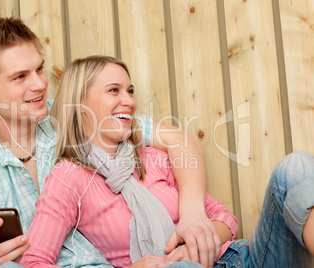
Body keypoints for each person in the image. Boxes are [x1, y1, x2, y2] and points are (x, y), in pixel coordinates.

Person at [0, 17, 219, 267]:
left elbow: (180, 141)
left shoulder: (71, 117)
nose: (39, 84)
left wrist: (193, 214)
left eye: (39, 69)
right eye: (20, 77)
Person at [20, 55, 314, 268]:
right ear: (80, 104)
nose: (129, 101)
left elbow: (225, 219)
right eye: (114, 90)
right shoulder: (69, 178)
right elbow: (35, 261)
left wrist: (192, 242)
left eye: (130, 91)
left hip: (241, 259)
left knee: (295, 167)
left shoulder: (152, 156)